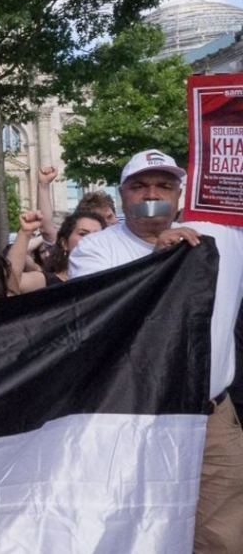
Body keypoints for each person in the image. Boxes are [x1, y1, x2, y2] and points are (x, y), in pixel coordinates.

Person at [68, 149, 243, 552]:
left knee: (223, 539)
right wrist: (158, 262)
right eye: (140, 185)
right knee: (136, 535)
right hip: (133, 422)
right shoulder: (96, 250)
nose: (152, 193)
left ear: (180, 193)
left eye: (164, 185)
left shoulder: (223, 236)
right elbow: (107, 321)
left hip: (210, 420)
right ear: (122, 193)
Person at [19, 211, 107, 289]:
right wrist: (25, 232)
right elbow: (12, 284)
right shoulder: (46, 281)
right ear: (64, 243)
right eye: (83, 234)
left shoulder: (111, 281)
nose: (90, 240)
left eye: (97, 235)